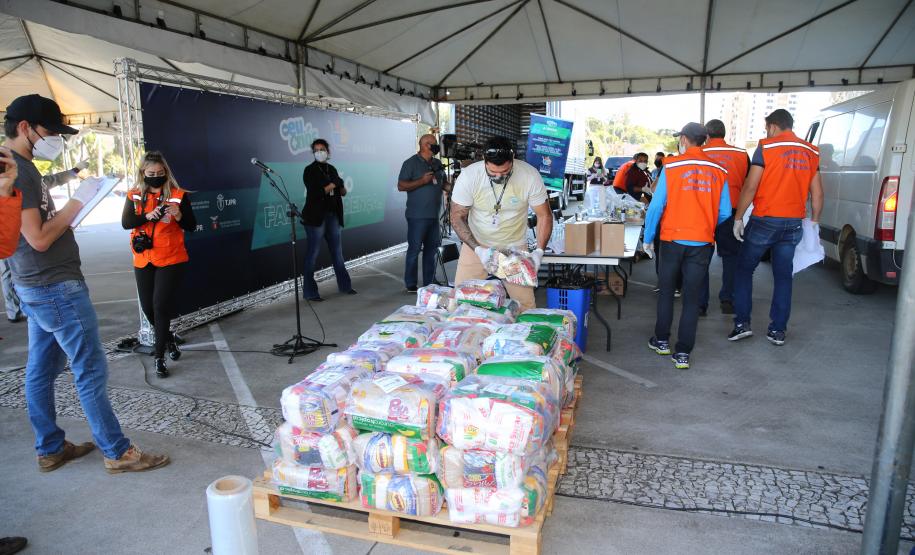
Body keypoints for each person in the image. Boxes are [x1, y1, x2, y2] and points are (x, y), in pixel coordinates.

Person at [3, 93, 169, 473]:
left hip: (38, 287)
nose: (55, 140)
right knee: (90, 368)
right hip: (53, 287)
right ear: (25, 127)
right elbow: (39, 238)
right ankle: (117, 450)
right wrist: (78, 203)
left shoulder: (22, 166)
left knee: (41, 369)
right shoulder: (16, 170)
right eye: (49, 131)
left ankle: (50, 447)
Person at [729, 109, 823, 346]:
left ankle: (742, 324)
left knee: (743, 270)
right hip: (793, 223)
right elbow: (818, 193)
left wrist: (738, 217)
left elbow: (751, 185)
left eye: (766, 128)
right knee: (783, 276)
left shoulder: (766, 147)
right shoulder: (811, 151)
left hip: (765, 220)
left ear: (771, 126)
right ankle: (777, 330)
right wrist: (814, 223)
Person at [642, 123, 731, 370]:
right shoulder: (719, 170)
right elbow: (724, 212)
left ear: (683, 139)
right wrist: (704, 223)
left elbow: (657, 206)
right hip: (702, 242)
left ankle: (661, 341)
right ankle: (682, 353)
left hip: (672, 239)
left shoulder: (671, 166)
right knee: (692, 298)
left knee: (668, 291)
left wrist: (648, 238)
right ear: (703, 140)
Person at [449, 136, 552, 312]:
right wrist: (478, 249)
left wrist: (539, 252)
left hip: (514, 247)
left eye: (505, 172)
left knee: (525, 305)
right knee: (461, 302)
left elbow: (545, 216)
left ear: (513, 161)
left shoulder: (529, 175)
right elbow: (457, 217)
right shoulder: (470, 176)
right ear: (484, 161)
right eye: (493, 173)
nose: (499, 177)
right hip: (477, 243)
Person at [121, 151, 197, 378]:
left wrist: (179, 216)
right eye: (151, 173)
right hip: (144, 258)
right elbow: (126, 223)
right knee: (148, 308)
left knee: (159, 305)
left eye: (160, 173)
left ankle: (159, 356)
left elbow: (192, 225)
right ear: (143, 173)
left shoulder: (178, 195)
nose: (155, 176)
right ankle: (169, 339)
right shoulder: (134, 195)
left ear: (166, 173)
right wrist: (148, 215)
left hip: (171, 258)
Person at [1, 164, 88, 323]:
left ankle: (16, 309)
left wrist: (73, 171)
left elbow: (48, 181)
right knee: (7, 271)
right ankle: (14, 309)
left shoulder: (26, 174)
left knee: (9, 271)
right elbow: (40, 240)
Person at [699, 119, 750, 315]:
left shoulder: (700, 153)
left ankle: (700, 303)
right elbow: (749, 183)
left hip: (705, 212)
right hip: (732, 212)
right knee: (731, 258)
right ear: (724, 134)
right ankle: (728, 298)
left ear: (707, 136)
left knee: (701, 257)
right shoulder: (741, 154)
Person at [301, 138, 356, 302]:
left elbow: (343, 192)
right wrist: (332, 185)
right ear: (313, 153)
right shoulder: (309, 170)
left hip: (333, 215)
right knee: (313, 254)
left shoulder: (331, 168)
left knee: (337, 253)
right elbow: (315, 193)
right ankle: (310, 292)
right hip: (315, 218)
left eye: (322, 149)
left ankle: (345, 286)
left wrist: (340, 185)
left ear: (328, 152)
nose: (319, 152)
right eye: (316, 150)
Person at [398, 134, 448, 293]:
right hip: (417, 216)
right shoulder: (410, 163)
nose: (436, 147)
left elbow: (444, 184)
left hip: (434, 215)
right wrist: (422, 181)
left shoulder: (437, 163)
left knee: (431, 251)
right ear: (425, 145)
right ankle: (411, 284)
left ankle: (429, 282)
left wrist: (454, 185)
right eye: (434, 144)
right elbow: (401, 185)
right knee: (414, 250)